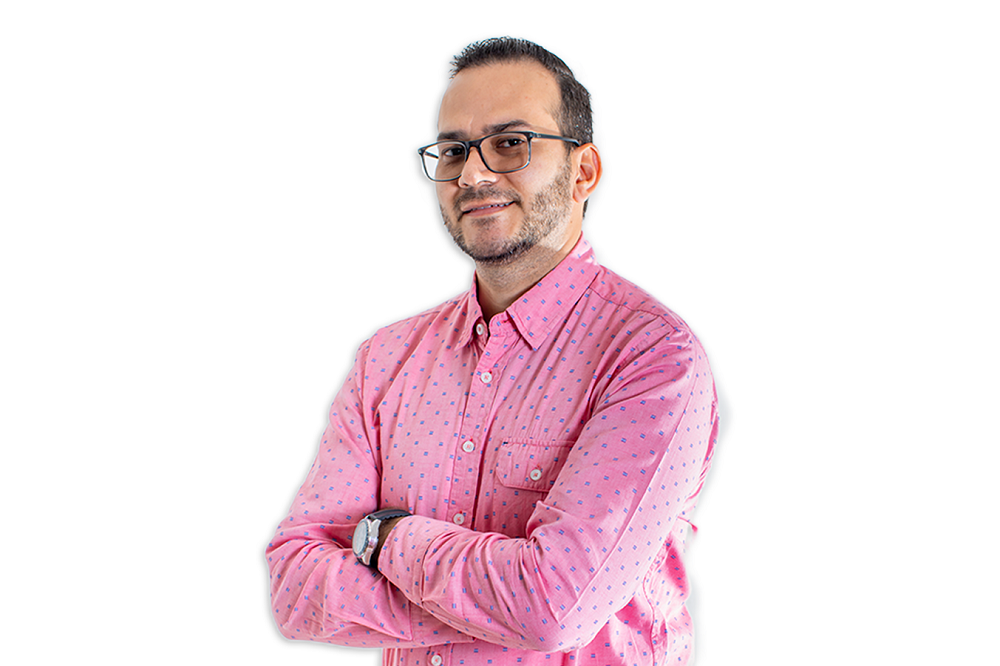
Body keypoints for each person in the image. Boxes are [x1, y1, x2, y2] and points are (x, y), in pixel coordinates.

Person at [265, 37, 719, 666]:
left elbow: (554, 607)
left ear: (583, 171)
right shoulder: (386, 361)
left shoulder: (653, 358)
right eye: (454, 151)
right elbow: (295, 589)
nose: (473, 175)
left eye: (511, 144)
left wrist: (386, 537)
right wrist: (499, 602)